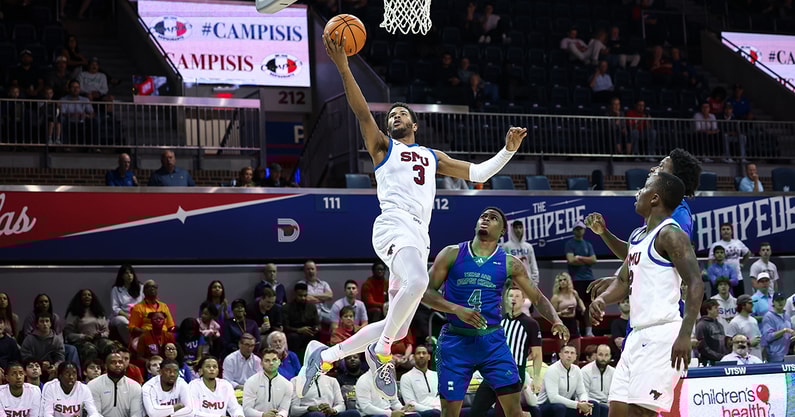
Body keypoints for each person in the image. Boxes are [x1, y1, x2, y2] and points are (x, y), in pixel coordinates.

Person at [305, 31, 526, 400]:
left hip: (418, 235)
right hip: (393, 225)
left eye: (401, 113)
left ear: (415, 125)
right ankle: (381, 353)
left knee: (399, 319)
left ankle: (327, 355)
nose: (395, 116)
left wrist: (507, 151)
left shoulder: (431, 156)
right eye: (391, 114)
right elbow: (361, 110)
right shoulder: (382, 146)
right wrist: (343, 66)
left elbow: (479, 174)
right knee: (418, 285)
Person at [421, 207, 568, 417]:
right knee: (449, 413)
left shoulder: (509, 263)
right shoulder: (451, 253)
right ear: (475, 224)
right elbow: (425, 292)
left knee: (515, 412)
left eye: (493, 218)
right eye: (483, 216)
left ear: (502, 232)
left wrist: (555, 319)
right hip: (456, 340)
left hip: (492, 342)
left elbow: (537, 297)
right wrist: (455, 309)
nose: (486, 219)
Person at [588, 171, 704, 416]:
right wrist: (602, 299)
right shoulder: (638, 235)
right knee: (617, 410)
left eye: (643, 188)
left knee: (640, 413)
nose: (637, 192)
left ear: (654, 199)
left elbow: (695, 283)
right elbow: (623, 279)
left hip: (662, 335)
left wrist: (685, 334)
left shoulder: (671, 234)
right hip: (636, 335)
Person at [469, 287, 543, 417]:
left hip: (513, 374)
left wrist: (536, 378)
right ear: (505, 300)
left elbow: (537, 354)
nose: (513, 298)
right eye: (510, 296)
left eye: (517, 296)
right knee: (476, 411)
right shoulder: (498, 322)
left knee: (503, 412)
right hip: (493, 372)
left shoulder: (531, 324)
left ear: (523, 300)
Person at [536, 345, 596, 417]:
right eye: (566, 352)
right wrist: (578, 405)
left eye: (572, 353)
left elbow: (582, 392)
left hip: (565, 405)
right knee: (560, 407)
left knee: (594, 405)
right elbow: (553, 398)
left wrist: (584, 402)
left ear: (575, 357)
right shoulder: (552, 370)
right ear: (560, 355)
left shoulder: (577, 369)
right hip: (545, 405)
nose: (569, 355)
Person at [564, 221, 596, 337]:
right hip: (576, 280)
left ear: (584, 230)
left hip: (588, 279)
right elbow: (571, 260)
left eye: (581, 229)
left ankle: (588, 330)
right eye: (577, 229)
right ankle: (576, 330)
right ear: (574, 231)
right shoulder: (570, 244)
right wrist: (586, 260)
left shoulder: (588, 244)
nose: (579, 231)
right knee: (576, 305)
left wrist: (580, 258)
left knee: (588, 305)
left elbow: (594, 260)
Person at [87, 351, 143, 417]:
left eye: (120, 362)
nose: (118, 365)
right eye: (113, 362)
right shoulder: (93, 385)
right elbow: (95, 414)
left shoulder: (135, 386)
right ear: (106, 366)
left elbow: (136, 414)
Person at [63, 289, 112, 364]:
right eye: (84, 295)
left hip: (99, 339)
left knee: (110, 346)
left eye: (89, 295)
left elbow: (106, 331)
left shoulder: (99, 312)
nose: (87, 297)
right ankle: (91, 372)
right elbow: (68, 335)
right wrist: (83, 336)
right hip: (81, 341)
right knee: (90, 350)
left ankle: (110, 371)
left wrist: (100, 335)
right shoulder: (73, 313)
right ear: (79, 298)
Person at [242, 348, 292, 417]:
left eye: (274, 360)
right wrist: (263, 415)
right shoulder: (251, 382)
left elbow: (284, 409)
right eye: (267, 360)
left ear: (279, 362)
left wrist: (280, 415)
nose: (271, 363)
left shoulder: (287, 385)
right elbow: (246, 410)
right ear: (261, 363)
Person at [708, 223, 750, 296]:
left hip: (737, 277)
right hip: (721, 280)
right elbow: (710, 261)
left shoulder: (738, 243)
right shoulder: (716, 245)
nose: (726, 231)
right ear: (720, 232)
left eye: (728, 229)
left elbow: (748, 253)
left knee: (739, 301)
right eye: (723, 229)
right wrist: (711, 274)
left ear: (732, 231)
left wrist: (742, 264)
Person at [399, 344, 441, 416]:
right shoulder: (406, 377)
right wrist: (431, 410)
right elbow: (410, 404)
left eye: (424, 353)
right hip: (422, 413)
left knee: (466, 411)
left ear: (429, 357)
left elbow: (442, 397)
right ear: (414, 357)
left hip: (440, 410)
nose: (421, 355)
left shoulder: (436, 375)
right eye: (418, 353)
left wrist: (440, 409)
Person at [550, 273, 586, 354]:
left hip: (573, 322)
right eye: (560, 280)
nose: (562, 282)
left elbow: (579, 300)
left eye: (564, 279)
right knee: (564, 353)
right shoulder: (556, 297)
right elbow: (552, 315)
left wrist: (583, 308)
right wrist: (562, 312)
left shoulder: (573, 293)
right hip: (562, 323)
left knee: (576, 353)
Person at [110, 265, 144, 346]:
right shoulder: (116, 289)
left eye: (131, 273)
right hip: (122, 316)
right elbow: (115, 308)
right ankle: (130, 345)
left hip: (138, 316)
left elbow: (145, 305)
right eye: (126, 273)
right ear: (122, 276)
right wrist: (127, 316)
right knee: (123, 321)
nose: (129, 275)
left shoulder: (141, 287)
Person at [501, 220, 540, 287]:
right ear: (512, 230)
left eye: (520, 227)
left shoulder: (528, 246)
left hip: (527, 282)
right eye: (516, 228)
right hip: (512, 284)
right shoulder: (506, 246)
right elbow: (502, 265)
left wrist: (535, 282)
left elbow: (533, 264)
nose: (518, 230)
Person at [726, 294, 763, 359]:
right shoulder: (734, 322)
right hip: (743, 359)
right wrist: (749, 343)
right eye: (750, 303)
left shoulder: (754, 320)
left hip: (757, 357)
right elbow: (729, 344)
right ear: (743, 305)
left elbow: (759, 339)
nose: (752, 305)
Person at [581, 345, 613, 417]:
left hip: (608, 403)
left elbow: (615, 393)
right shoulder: (585, 371)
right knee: (603, 408)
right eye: (600, 355)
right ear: (596, 355)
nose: (603, 358)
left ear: (610, 356)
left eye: (606, 355)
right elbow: (583, 394)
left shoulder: (614, 372)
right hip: (591, 403)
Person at [760, 293, 792, 363]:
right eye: (777, 300)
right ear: (773, 302)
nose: (780, 302)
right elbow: (768, 337)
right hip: (775, 356)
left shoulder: (786, 315)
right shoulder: (768, 316)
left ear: (785, 301)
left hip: (788, 355)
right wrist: (784, 330)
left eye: (782, 299)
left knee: (790, 374)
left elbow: (790, 333)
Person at [695, 299, 727, 366]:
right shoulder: (701, 325)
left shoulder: (720, 325)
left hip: (722, 360)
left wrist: (726, 355)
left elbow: (724, 343)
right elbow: (702, 347)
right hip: (707, 362)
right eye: (715, 308)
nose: (718, 310)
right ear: (708, 310)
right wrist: (719, 356)